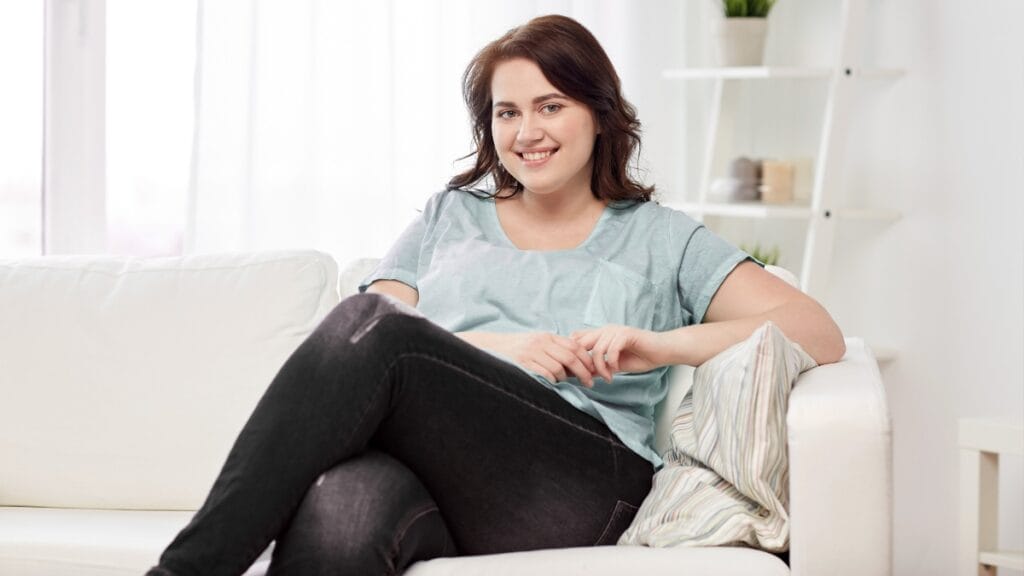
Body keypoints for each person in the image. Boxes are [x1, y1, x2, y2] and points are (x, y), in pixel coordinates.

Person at [148, 14, 845, 576]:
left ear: (599, 114)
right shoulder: (448, 216)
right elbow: (361, 344)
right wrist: (498, 348)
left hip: (580, 481)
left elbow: (814, 330)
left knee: (373, 324)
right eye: (507, 113)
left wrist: (657, 345)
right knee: (342, 508)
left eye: (551, 106)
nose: (526, 132)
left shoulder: (661, 237)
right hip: (441, 481)